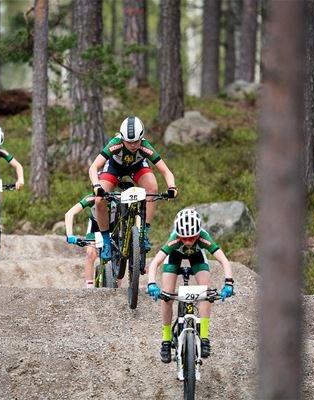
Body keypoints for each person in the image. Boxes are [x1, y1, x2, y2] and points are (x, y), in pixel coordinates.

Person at [146, 208, 235, 363]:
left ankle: (205, 337)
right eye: (184, 238)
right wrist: (151, 283)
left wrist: (229, 283)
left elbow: (224, 260)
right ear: (178, 234)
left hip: (197, 257)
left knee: (206, 293)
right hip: (174, 257)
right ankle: (166, 340)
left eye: (191, 238)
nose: (187, 242)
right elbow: (155, 263)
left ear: (198, 233)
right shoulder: (174, 239)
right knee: (167, 296)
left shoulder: (203, 237)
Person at [88, 116, 177, 261]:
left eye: (136, 141)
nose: (133, 145)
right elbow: (94, 167)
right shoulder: (114, 144)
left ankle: (144, 233)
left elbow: (166, 171)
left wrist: (172, 187)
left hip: (137, 167)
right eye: (129, 142)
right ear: (122, 138)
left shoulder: (145, 146)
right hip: (114, 168)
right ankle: (105, 241)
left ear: (142, 138)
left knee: (152, 189)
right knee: (99, 200)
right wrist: (96, 186)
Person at [64, 193, 118, 288]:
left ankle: (117, 287)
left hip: (114, 226)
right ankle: (89, 287)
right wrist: (70, 234)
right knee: (90, 253)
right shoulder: (90, 198)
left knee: (119, 257)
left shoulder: (117, 196)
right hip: (95, 227)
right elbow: (69, 213)